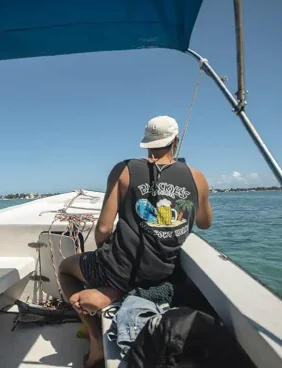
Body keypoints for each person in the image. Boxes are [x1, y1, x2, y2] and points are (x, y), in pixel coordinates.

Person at [58, 116, 212, 367]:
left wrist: (103, 259)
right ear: (176, 141)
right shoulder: (198, 178)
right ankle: (116, 289)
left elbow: (104, 229)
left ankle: (96, 341)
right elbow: (205, 223)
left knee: (66, 267)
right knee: (118, 274)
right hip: (161, 272)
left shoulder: (125, 169)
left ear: (147, 143)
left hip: (117, 267)